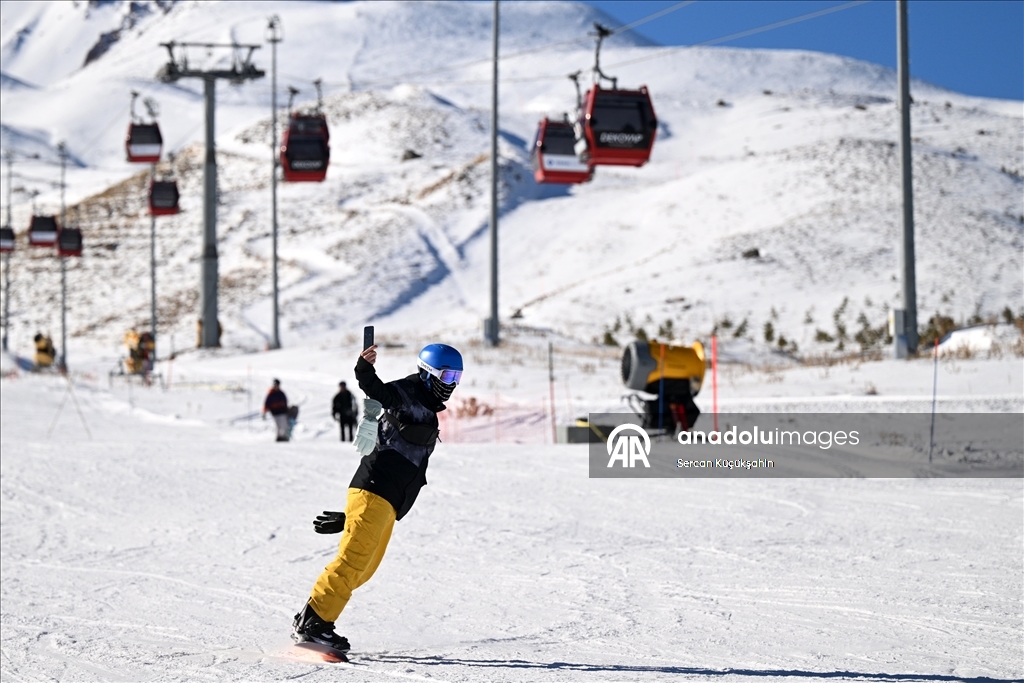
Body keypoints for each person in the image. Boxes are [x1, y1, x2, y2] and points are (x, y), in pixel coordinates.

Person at [291, 343, 464, 655]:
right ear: (428, 373)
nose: (451, 384)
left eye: (457, 377)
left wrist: (352, 517)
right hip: (375, 487)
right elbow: (376, 390)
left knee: (365, 568)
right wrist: (364, 367)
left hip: (388, 501)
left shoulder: (429, 411)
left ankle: (310, 615)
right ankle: (316, 623)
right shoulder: (407, 393)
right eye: (447, 376)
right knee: (353, 561)